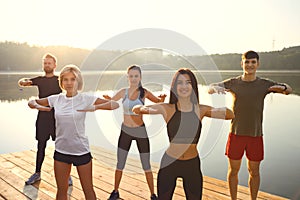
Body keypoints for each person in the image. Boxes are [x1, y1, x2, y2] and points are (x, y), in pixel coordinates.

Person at [133, 68, 235, 200]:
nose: (184, 86)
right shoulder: (167, 109)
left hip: (191, 164)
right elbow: (140, 109)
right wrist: (140, 107)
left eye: (188, 82)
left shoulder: (201, 110)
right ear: (175, 87)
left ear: (193, 86)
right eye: (180, 83)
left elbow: (230, 114)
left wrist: (217, 93)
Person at [208, 50, 292, 200]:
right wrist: (215, 88)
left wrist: (284, 88)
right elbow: (210, 87)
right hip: (236, 134)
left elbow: (289, 90)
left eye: (253, 62)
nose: (250, 65)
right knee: (233, 171)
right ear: (242, 64)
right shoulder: (234, 82)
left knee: (254, 171)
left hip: (255, 135)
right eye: (247, 62)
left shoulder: (264, 84)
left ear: (258, 64)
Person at [28, 64, 119, 200]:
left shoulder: (85, 99)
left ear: (78, 81)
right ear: (62, 82)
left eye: (73, 79)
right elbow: (31, 101)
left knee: (88, 191)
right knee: (61, 191)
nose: (69, 83)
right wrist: (37, 106)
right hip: (61, 152)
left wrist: (95, 107)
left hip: (81, 151)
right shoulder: (56, 99)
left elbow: (114, 104)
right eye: (66, 79)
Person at [104, 65, 166, 200]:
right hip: (125, 130)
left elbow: (158, 102)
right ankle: (115, 191)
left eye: (136, 76)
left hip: (140, 131)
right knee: (120, 163)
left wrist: (162, 98)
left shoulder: (144, 93)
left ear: (140, 77)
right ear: (127, 77)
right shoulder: (122, 92)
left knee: (146, 164)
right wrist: (107, 98)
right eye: (131, 76)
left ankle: (152, 194)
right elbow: (111, 101)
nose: (133, 78)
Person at [18, 53, 76, 185]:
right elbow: (23, 82)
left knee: (62, 146)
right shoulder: (39, 79)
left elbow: (71, 86)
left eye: (49, 63)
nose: (47, 65)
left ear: (55, 65)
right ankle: (37, 173)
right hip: (43, 117)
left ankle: (67, 175)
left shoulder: (59, 80)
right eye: (45, 63)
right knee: (41, 146)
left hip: (58, 118)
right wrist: (23, 82)